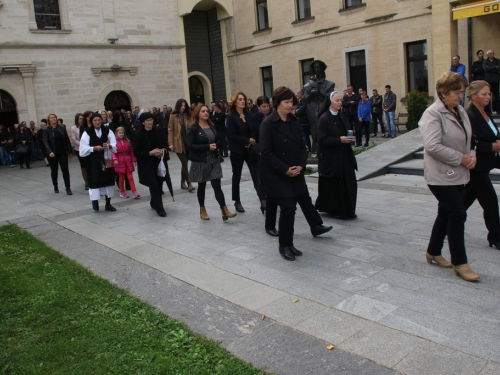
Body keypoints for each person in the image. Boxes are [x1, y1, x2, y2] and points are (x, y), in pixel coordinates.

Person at [260, 86, 332, 261]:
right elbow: (266, 152)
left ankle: (290, 243)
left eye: (291, 102)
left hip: (296, 172)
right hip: (278, 175)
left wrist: (301, 165)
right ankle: (284, 245)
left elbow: (302, 146)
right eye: (286, 102)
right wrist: (285, 169)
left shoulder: (293, 121)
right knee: (288, 208)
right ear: (277, 103)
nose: (289, 105)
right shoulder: (268, 124)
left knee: (297, 204)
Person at [419, 71, 479, 281]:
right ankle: (460, 262)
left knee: (445, 212)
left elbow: (468, 138)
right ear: (442, 93)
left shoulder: (460, 111)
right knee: (457, 213)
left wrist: (471, 155)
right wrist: (461, 158)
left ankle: (433, 251)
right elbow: (432, 146)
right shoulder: (432, 114)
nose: (460, 96)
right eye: (456, 92)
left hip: (458, 173)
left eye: (462, 92)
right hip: (439, 174)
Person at [463, 81, 500, 250]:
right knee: (491, 202)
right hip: (477, 167)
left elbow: (490, 135)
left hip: (486, 164)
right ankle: (495, 236)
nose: (488, 97)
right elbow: (470, 142)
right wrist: (491, 146)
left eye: (489, 94)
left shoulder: (486, 113)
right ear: (473, 96)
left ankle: (447, 222)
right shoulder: (470, 115)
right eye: (484, 94)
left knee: (463, 201)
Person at [187, 104, 236, 221]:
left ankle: (224, 209)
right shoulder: (192, 128)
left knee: (217, 186)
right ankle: (202, 209)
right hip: (201, 161)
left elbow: (219, 140)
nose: (206, 113)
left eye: (207, 111)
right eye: (203, 111)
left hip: (213, 159)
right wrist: (207, 146)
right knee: (202, 185)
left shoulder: (212, 126)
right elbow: (190, 146)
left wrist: (215, 145)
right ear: (198, 113)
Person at [315, 91, 358, 220]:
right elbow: (321, 140)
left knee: (349, 183)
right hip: (332, 159)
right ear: (330, 102)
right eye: (337, 100)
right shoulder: (324, 118)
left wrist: (350, 138)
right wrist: (339, 140)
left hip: (344, 156)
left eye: (341, 100)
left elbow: (345, 132)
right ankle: (335, 210)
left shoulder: (341, 116)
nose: (340, 103)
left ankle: (349, 209)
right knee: (335, 186)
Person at [226, 91, 266, 213]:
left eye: (244, 99)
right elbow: (232, 136)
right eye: (240, 99)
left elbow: (253, 130)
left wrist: (251, 141)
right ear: (235, 102)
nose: (243, 101)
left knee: (256, 175)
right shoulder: (231, 117)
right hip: (237, 151)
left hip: (250, 150)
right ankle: (237, 201)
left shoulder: (248, 114)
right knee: (236, 176)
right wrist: (247, 140)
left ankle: (263, 200)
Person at [133, 112, 169, 217]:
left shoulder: (158, 131)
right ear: (143, 122)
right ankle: (160, 208)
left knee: (159, 184)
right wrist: (150, 153)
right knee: (153, 185)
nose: (150, 122)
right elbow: (136, 152)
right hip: (147, 164)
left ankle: (154, 202)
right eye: (147, 120)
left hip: (158, 163)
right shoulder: (138, 134)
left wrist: (163, 149)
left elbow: (164, 144)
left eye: (151, 120)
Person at [79, 113, 117, 212]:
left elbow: (114, 144)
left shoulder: (108, 131)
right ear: (91, 121)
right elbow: (82, 149)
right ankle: (95, 201)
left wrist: (108, 146)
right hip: (93, 160)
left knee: (108, 180)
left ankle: (108, 204)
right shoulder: (87, 132)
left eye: (99, 120)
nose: (97, 122)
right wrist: (94, 148)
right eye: (95, 120)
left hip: (106, 158)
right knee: (95, 180)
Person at [302, 60, 335, 153]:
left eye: (318, 67)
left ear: (322, 69)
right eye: (315, 68)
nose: (317, 70)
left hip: (324, 109)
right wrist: (311, 94)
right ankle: (315, 149)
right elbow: (304, 100)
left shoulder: (329, 84)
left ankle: (325, 147)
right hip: (312, 110)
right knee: (314, 129)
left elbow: (330, 98)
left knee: (325, 128)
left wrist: (319, 93)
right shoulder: (309, 85)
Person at [168, 98, 195, 192]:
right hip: (178, 142)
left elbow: (192, 127)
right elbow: (170, 130)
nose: (183, 107)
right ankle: (189, 183)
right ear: (178, 106)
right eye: (181, 105)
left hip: (187, 141)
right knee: (184, 162)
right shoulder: (173, 116)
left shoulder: (188, 115)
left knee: (185, 163)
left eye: (184, 105)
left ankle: (182, 182)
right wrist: (170, 143)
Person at [43, 113, 73, 194]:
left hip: (62, 152)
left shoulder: (62, 128)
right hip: (52, 154)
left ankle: (68, 187)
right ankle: (55, 186)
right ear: (49, 120)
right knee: (54, 170)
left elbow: (67, 139)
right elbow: (45, 141)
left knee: (65, 169)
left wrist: (70, 151)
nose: (53, 119)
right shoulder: (46, 130)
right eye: (51, 118)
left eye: (54, 117)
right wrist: (50, 151)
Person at [113, 127, 140, 199]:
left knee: (130, 177)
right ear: (117, 134)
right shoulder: (114, 142)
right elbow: (113, 152)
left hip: (127, 161)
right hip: (119, 161)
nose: (121, 134)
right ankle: (122, 191)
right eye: (119, 133)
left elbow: (131, 151)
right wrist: (114, 159)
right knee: (121, 178)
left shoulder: (127, 141)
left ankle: (134, 191)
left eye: (122, 133)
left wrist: (133, 160)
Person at [69, 113, 89, 190]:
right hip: (79, 149)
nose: (81, 120)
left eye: (82, 118)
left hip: (88, 148)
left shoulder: (86, 127)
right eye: (79, 119)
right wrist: (83, 144)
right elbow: (74, 140)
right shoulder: (74, 128)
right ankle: (86, 182)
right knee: (83, 165)